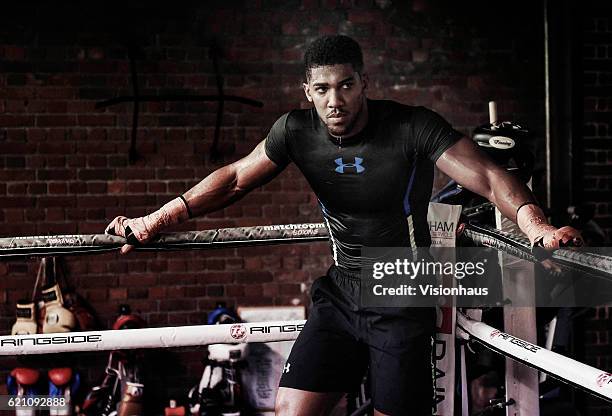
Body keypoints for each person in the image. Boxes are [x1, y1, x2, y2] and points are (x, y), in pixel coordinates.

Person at [105, 35, 583, 415]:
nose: (336, 100)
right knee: (289, 410)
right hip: (340, 290)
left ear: (363, 82)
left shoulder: (413, 127)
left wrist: (537, 228)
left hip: (401, 290)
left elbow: (488, 175)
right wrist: (156, 220)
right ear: (307, 92)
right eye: (322, 89)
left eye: (346, 85)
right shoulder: (295, 131)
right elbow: (233, 179)